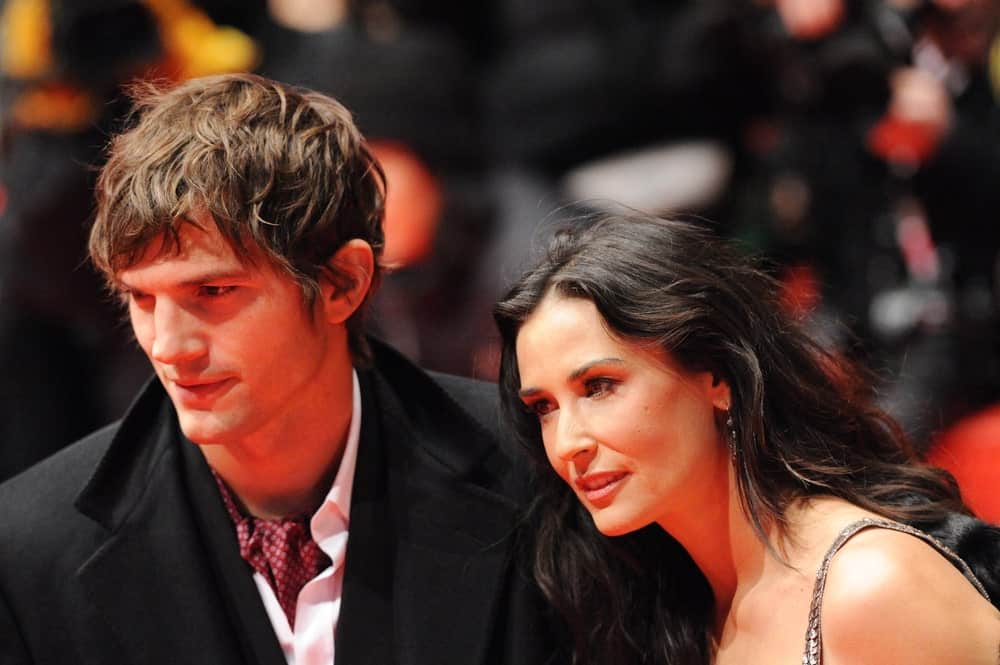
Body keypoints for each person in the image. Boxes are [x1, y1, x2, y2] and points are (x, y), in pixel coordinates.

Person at [0, 73, 560, 665]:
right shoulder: (29, 549)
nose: (168, 346)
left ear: (344, 282)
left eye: (214, 291)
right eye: (142, 299)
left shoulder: (536, 474)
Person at [493, 211, 1000, 665]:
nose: (566, 443)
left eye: (599, 386)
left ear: (717, 376)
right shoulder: (656, 607)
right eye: (544, 408)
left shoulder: (870, 585)